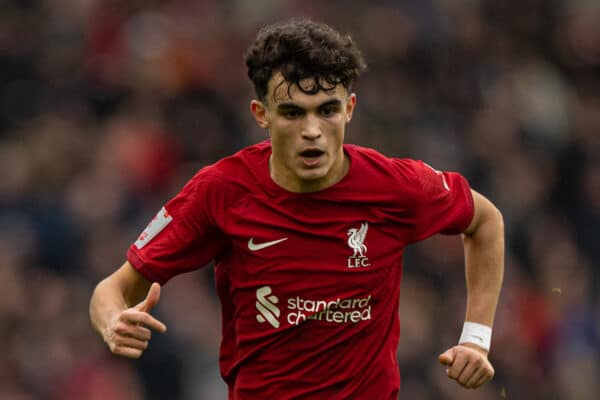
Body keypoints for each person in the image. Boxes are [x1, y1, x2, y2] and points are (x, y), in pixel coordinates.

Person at [89, 19, 504, 399]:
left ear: (350, 109)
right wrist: (112, 321)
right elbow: (114, 289)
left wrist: (475, 338)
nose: (312, 131)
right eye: (292, 112)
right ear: (261, 115)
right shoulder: (221, 191)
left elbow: (485, 221)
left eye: (327, 110)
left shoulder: (394, 187)